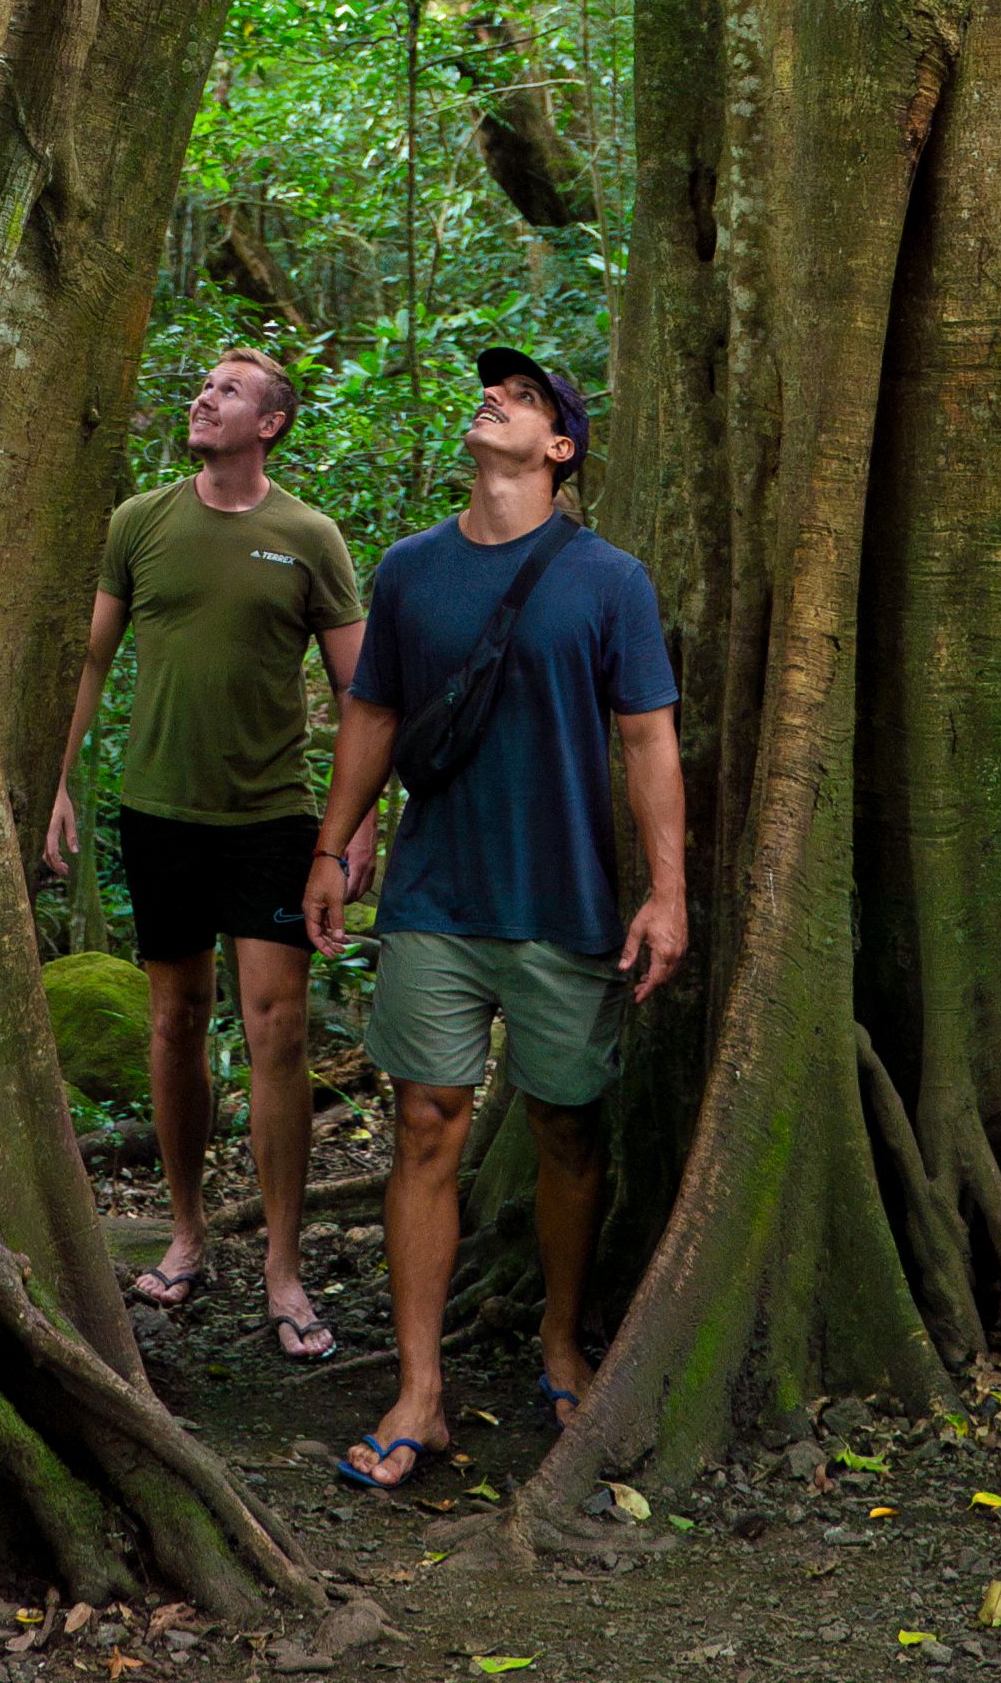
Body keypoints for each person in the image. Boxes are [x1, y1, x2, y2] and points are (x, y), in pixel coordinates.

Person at [301, 344, 684, 1491]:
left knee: (567, 1127)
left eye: (522, 399)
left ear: (559, 449)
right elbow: (371, 711)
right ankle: (418, 1390)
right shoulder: (411, 570)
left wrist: (667, 890)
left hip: (565, 900)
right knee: (426, 1124)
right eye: (492, 391)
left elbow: (648, 739)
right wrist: (337, 842)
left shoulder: (609, 579)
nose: (495, 401)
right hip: (435, 897)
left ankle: (562, 1339)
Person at [44, 348, 376, 1358]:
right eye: (204, 386)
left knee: (277, 1028)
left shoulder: (307, 537)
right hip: (160, 813)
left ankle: (284, 1266)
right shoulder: (140, 521)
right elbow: (90, 658)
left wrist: (354, 827)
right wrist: (57, 782)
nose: (204, 396)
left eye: (228, 389)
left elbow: (361, 690)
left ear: (269, 423)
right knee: (174, 1017)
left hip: (271, 816)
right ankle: (188, 1235)